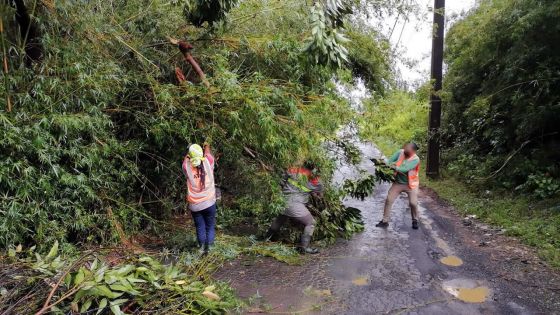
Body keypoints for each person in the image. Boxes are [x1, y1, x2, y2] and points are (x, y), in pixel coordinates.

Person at [266, 161, 323, 254]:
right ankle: (304, 248)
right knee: (311, 223)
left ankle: (266, 238)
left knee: (280, 219)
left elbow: (280, 183)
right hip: (295, 205)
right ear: (314, 168)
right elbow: (319, 196)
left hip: (282, 201)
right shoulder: (316, 180)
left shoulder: (292, 170)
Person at [376, 142, 421, 229]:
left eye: (408, 148)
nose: (406, 149)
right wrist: (383, 164)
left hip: (411, 185)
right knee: (389, 199)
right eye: (406, 147)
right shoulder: (400, 152)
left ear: (413, 151)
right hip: (398, 183)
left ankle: (414, 220)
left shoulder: (416, 159)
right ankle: (385, 221)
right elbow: (389, 161)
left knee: (413, 203)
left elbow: (405, 169)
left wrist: (394, 167)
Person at [182, 143, 217, 254]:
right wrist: (206, 145)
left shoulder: (186, 166)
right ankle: (209, 249)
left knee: (200, 227)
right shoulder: (208, 161)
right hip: (209, 202)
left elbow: (187, 158)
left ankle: (201, 249)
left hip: (195, 205)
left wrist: (190, 151)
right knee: (210, 226)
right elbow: (207, 153)